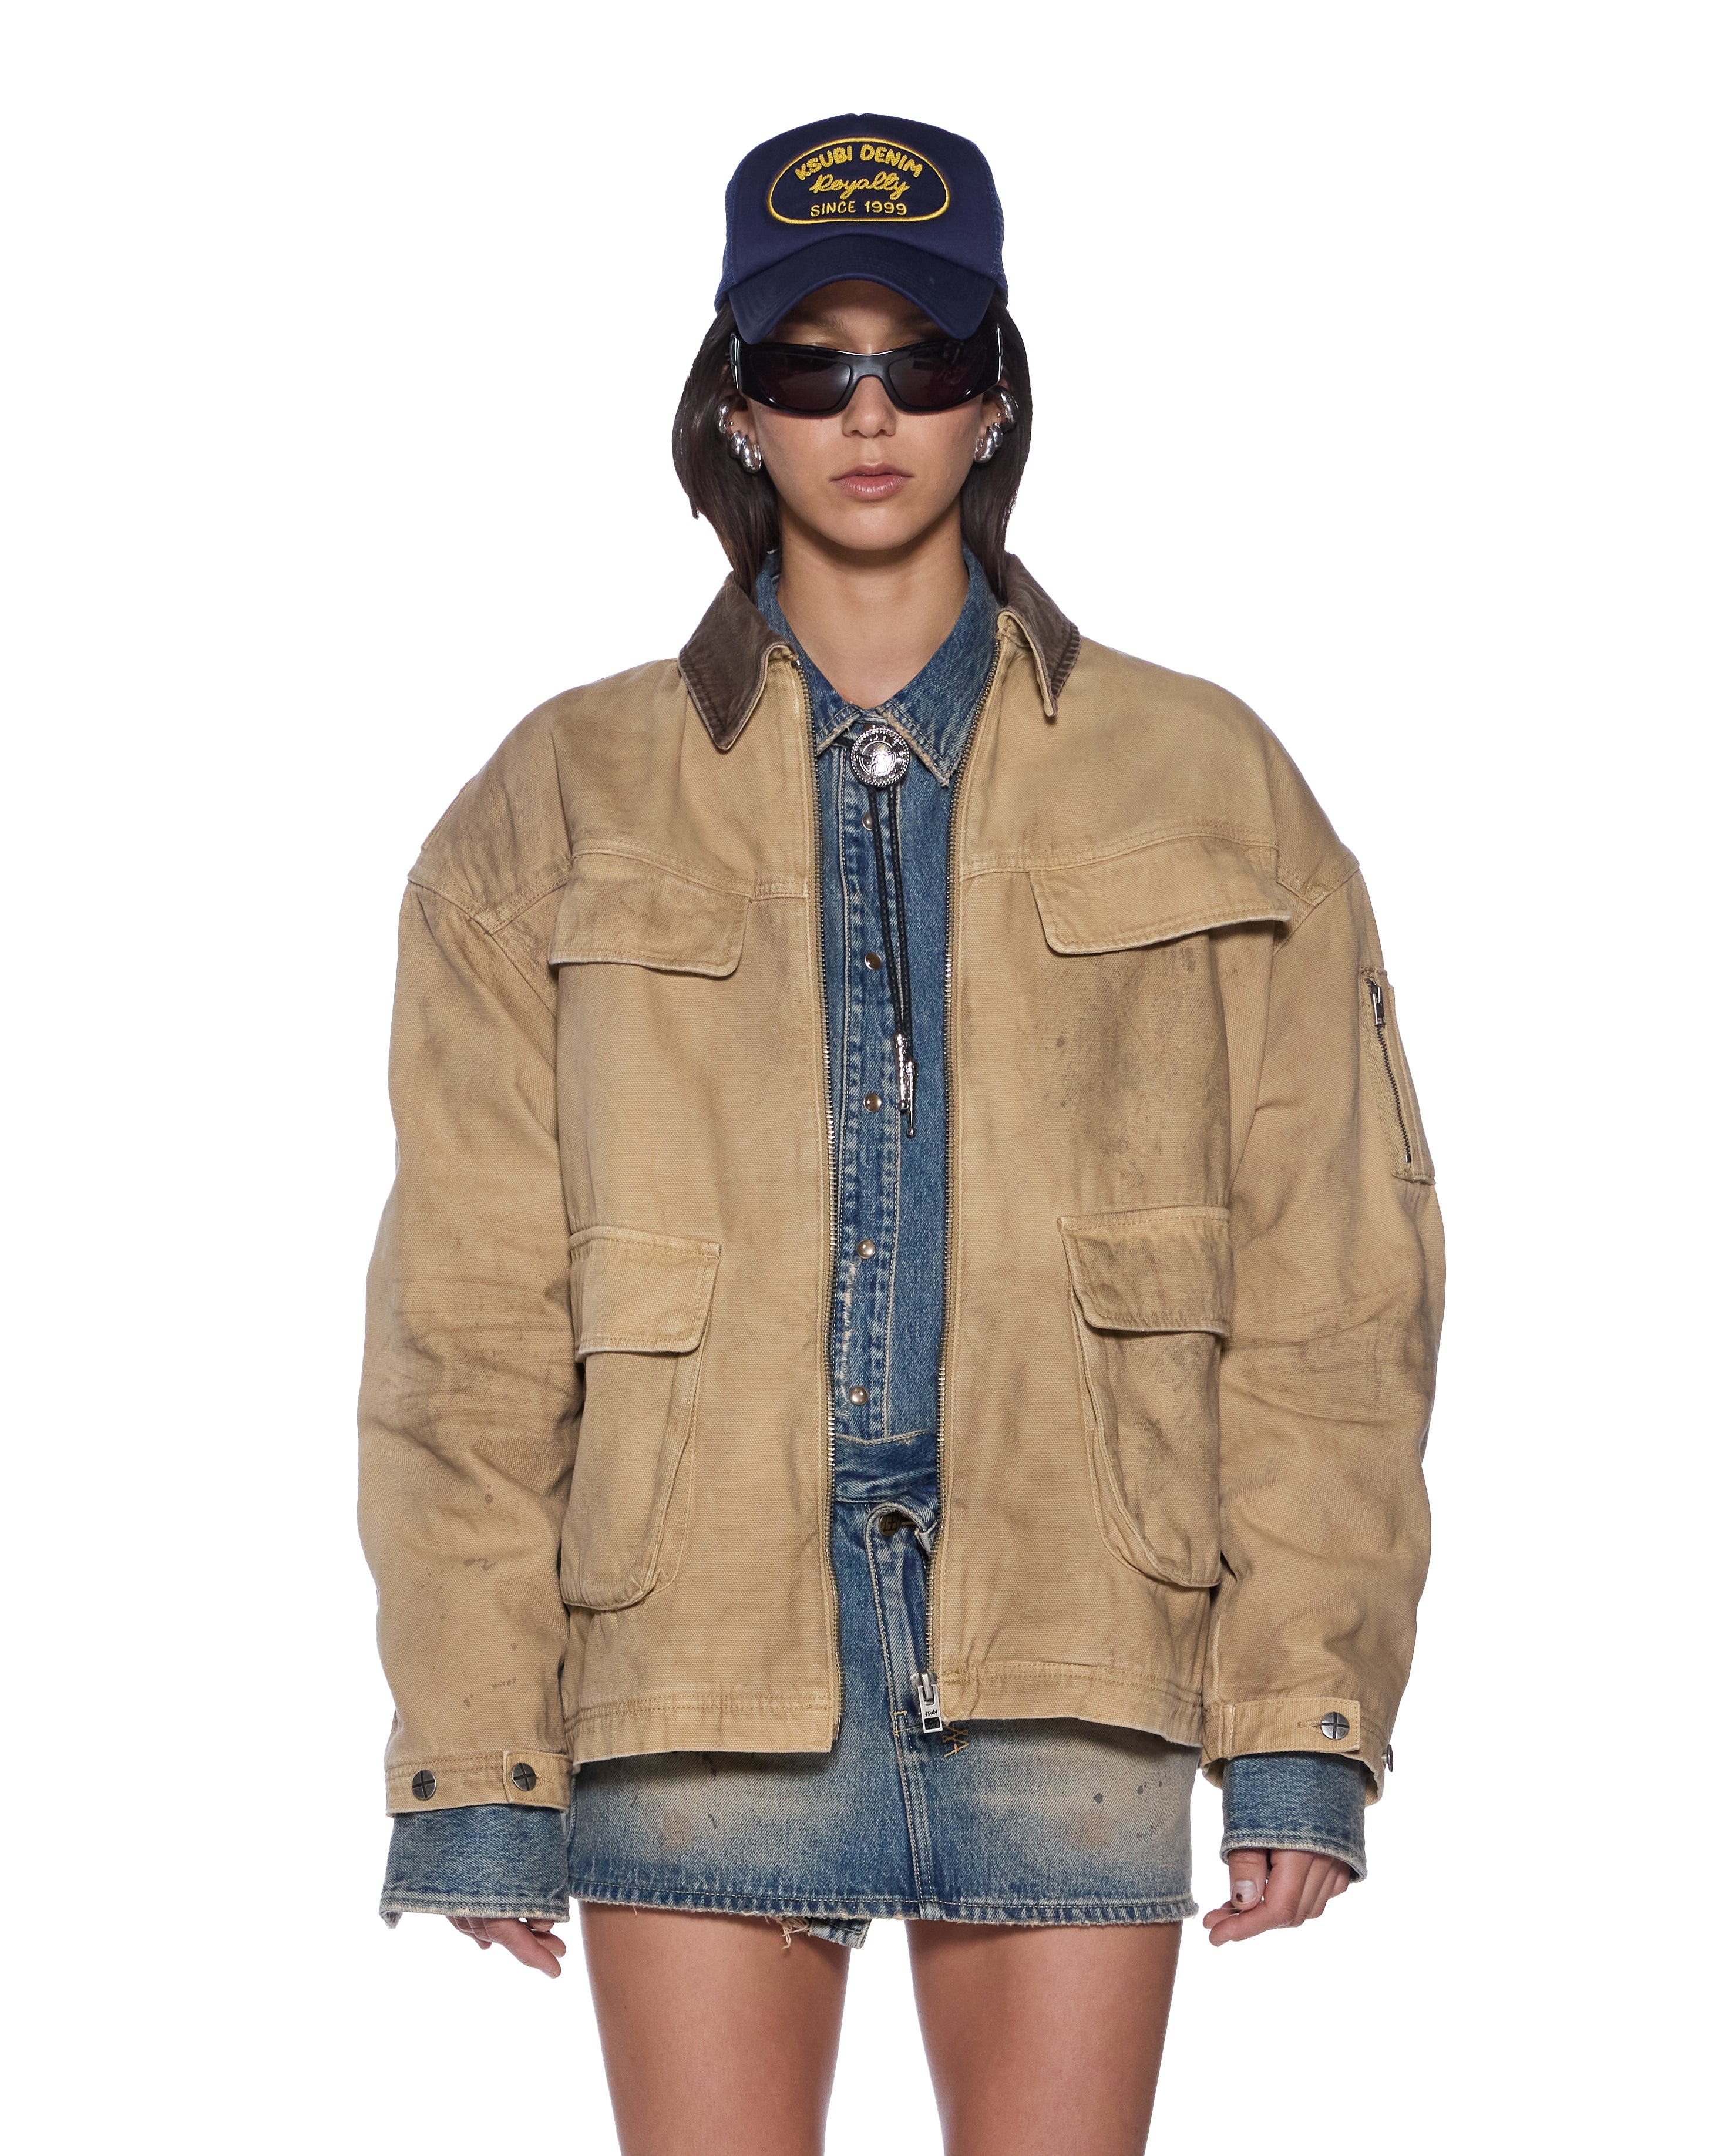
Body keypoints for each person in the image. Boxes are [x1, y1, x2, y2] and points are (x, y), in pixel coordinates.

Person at [359, 112, 1443, 2156]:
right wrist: (479, 1752)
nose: (868, 415)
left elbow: (1332, 1282)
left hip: (1077, 1645)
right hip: (692, 1661)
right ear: (735, 407)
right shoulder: (558, 798)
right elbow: (466, 1324)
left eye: (921, 362)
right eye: (810, 366)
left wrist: (1303, 1715)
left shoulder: (1205, 775)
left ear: (994, 396)